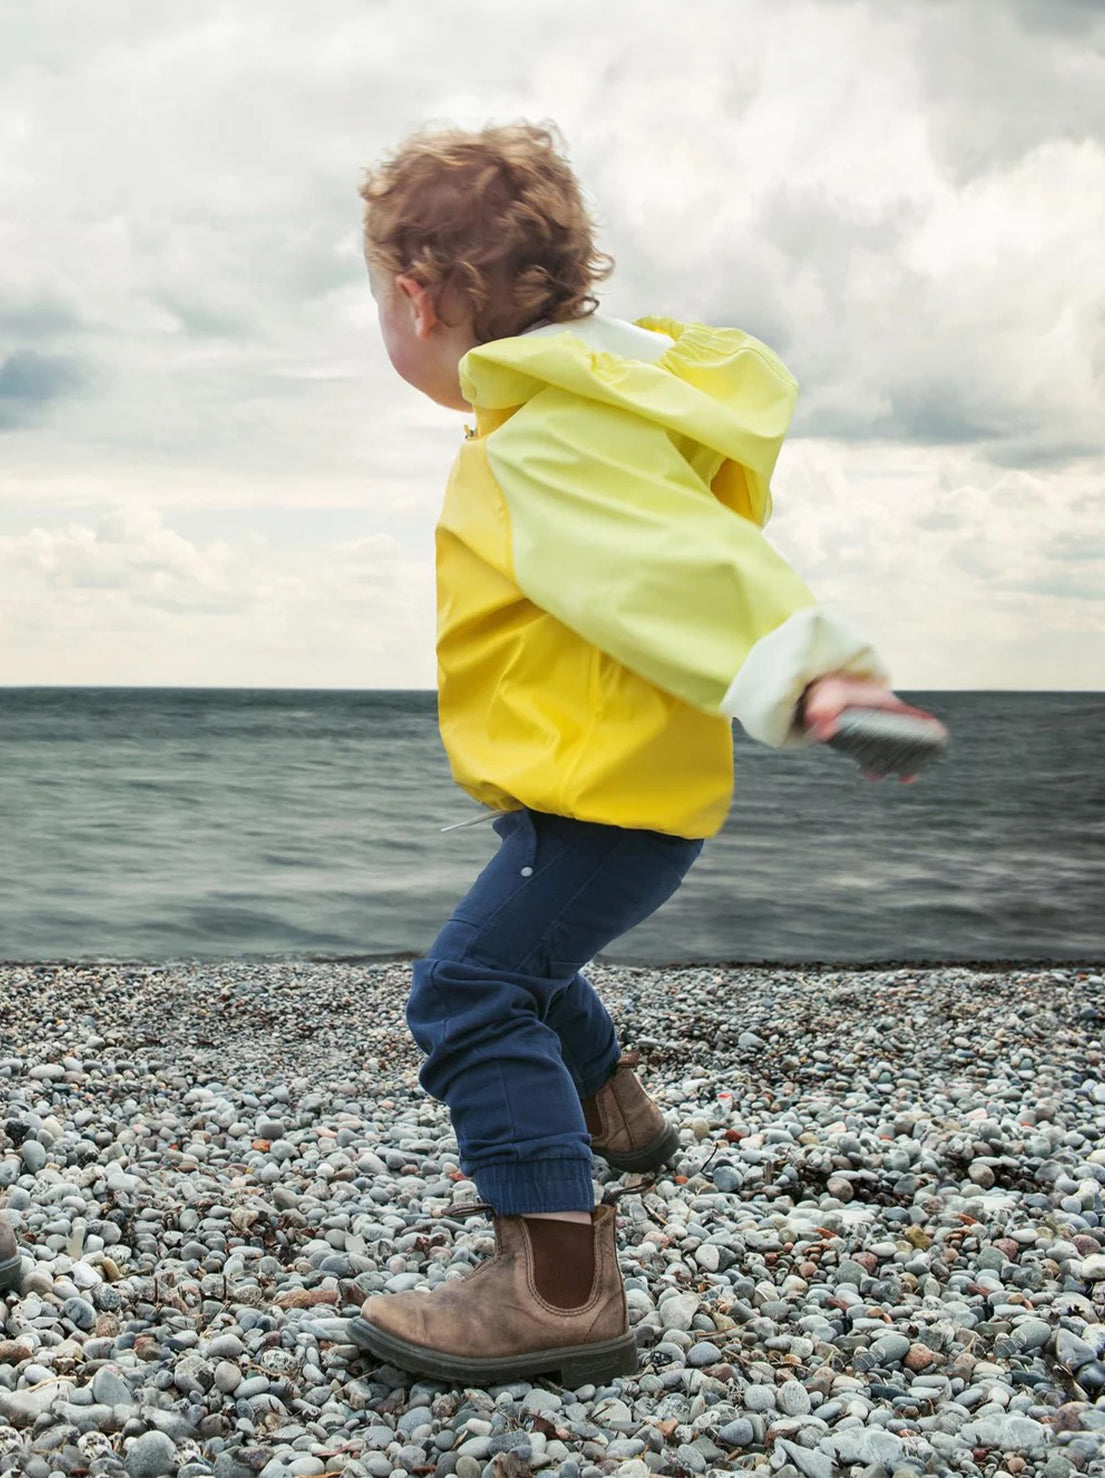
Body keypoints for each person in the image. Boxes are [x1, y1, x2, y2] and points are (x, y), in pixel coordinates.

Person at [348, 121, 946, 1387]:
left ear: (415, 297)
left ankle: (555, 1284)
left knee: (466, 989)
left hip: (608, 803)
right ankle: (613, 1106)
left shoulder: (554, 434)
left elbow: (680, 565)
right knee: (529, 961)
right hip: (590, 792)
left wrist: (815, 677)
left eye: (377, 300)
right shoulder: (587, 397)